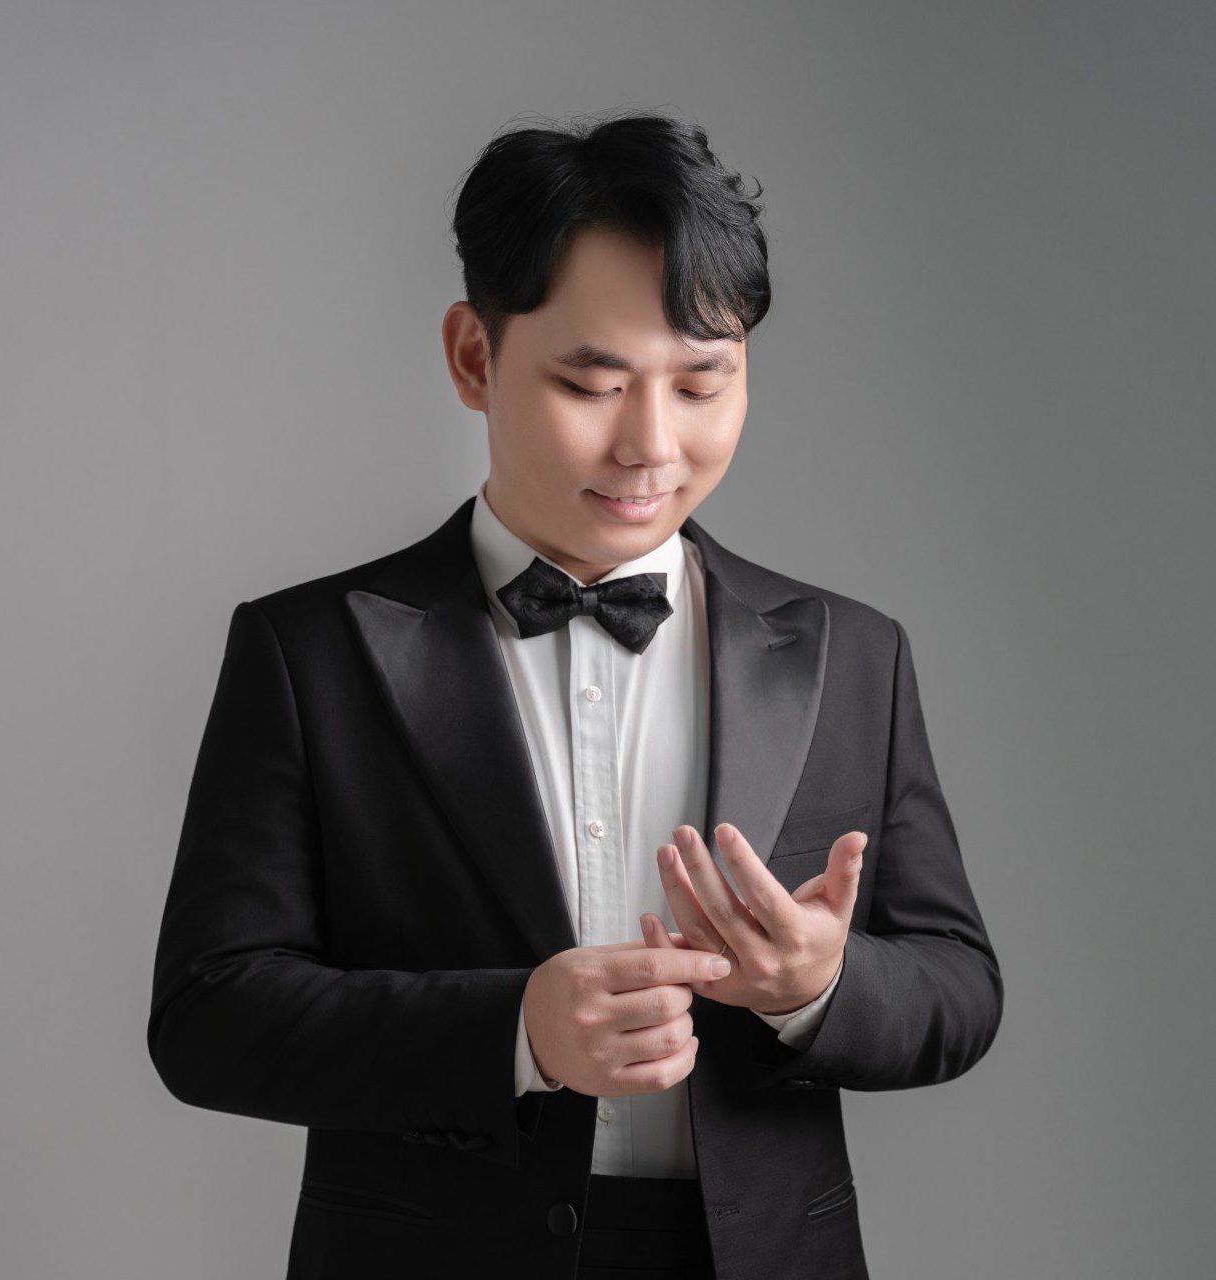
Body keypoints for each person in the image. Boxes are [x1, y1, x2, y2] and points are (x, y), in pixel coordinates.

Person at [147, 111, 1003, 1280]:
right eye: (591, 383)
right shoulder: (310, 651)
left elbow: (959, 987)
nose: (650, 444)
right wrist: (515, 1031)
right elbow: (208, 1015)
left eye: (700, 383)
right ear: (472, 357)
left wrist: (818, 984)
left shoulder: (850, 652)